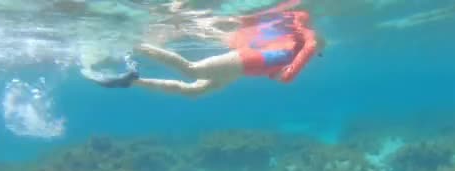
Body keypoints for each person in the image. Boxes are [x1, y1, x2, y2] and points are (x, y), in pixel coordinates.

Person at [85, 0, 325, 98]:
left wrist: (284, 72)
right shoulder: (304, 40)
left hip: (241, 70)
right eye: (318, 52)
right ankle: (133, 44)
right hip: (244, 60)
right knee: (192, 70)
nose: (317, 54)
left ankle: (129, 80)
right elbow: (310, 46)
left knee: (192, 92)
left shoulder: (292, 50)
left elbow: (276, 73)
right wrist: (293, 70)